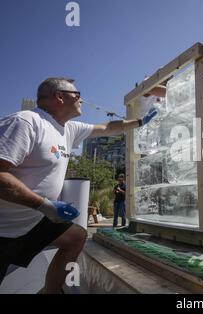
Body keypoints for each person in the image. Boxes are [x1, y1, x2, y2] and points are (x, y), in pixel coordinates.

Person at [0, 77, 160, 293]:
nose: (81, 99)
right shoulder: (26, 122)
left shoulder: (69, 129)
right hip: (4, 228)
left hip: (31, 223)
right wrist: (45, 205)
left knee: (76, 236)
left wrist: (139, 122)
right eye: (77, 94)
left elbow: (106, 126)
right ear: (59, 96)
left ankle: (51, 291)